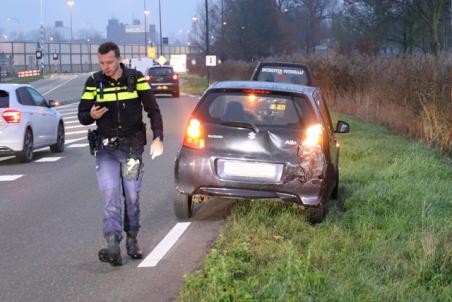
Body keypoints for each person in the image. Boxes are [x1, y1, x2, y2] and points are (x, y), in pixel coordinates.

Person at [78, 42, 163, 266]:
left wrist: (158, 136)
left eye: (109, 62)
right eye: (102, 63)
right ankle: (112, 244)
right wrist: (91, 115)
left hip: (132, 149)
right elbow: (82, 115)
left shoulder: (136, 79)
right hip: (106, 150)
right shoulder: (94, 82)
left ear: (119, 59)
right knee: (110, 196)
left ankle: (132, 239)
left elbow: (153, 109)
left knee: (132, 196)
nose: (105, 67)